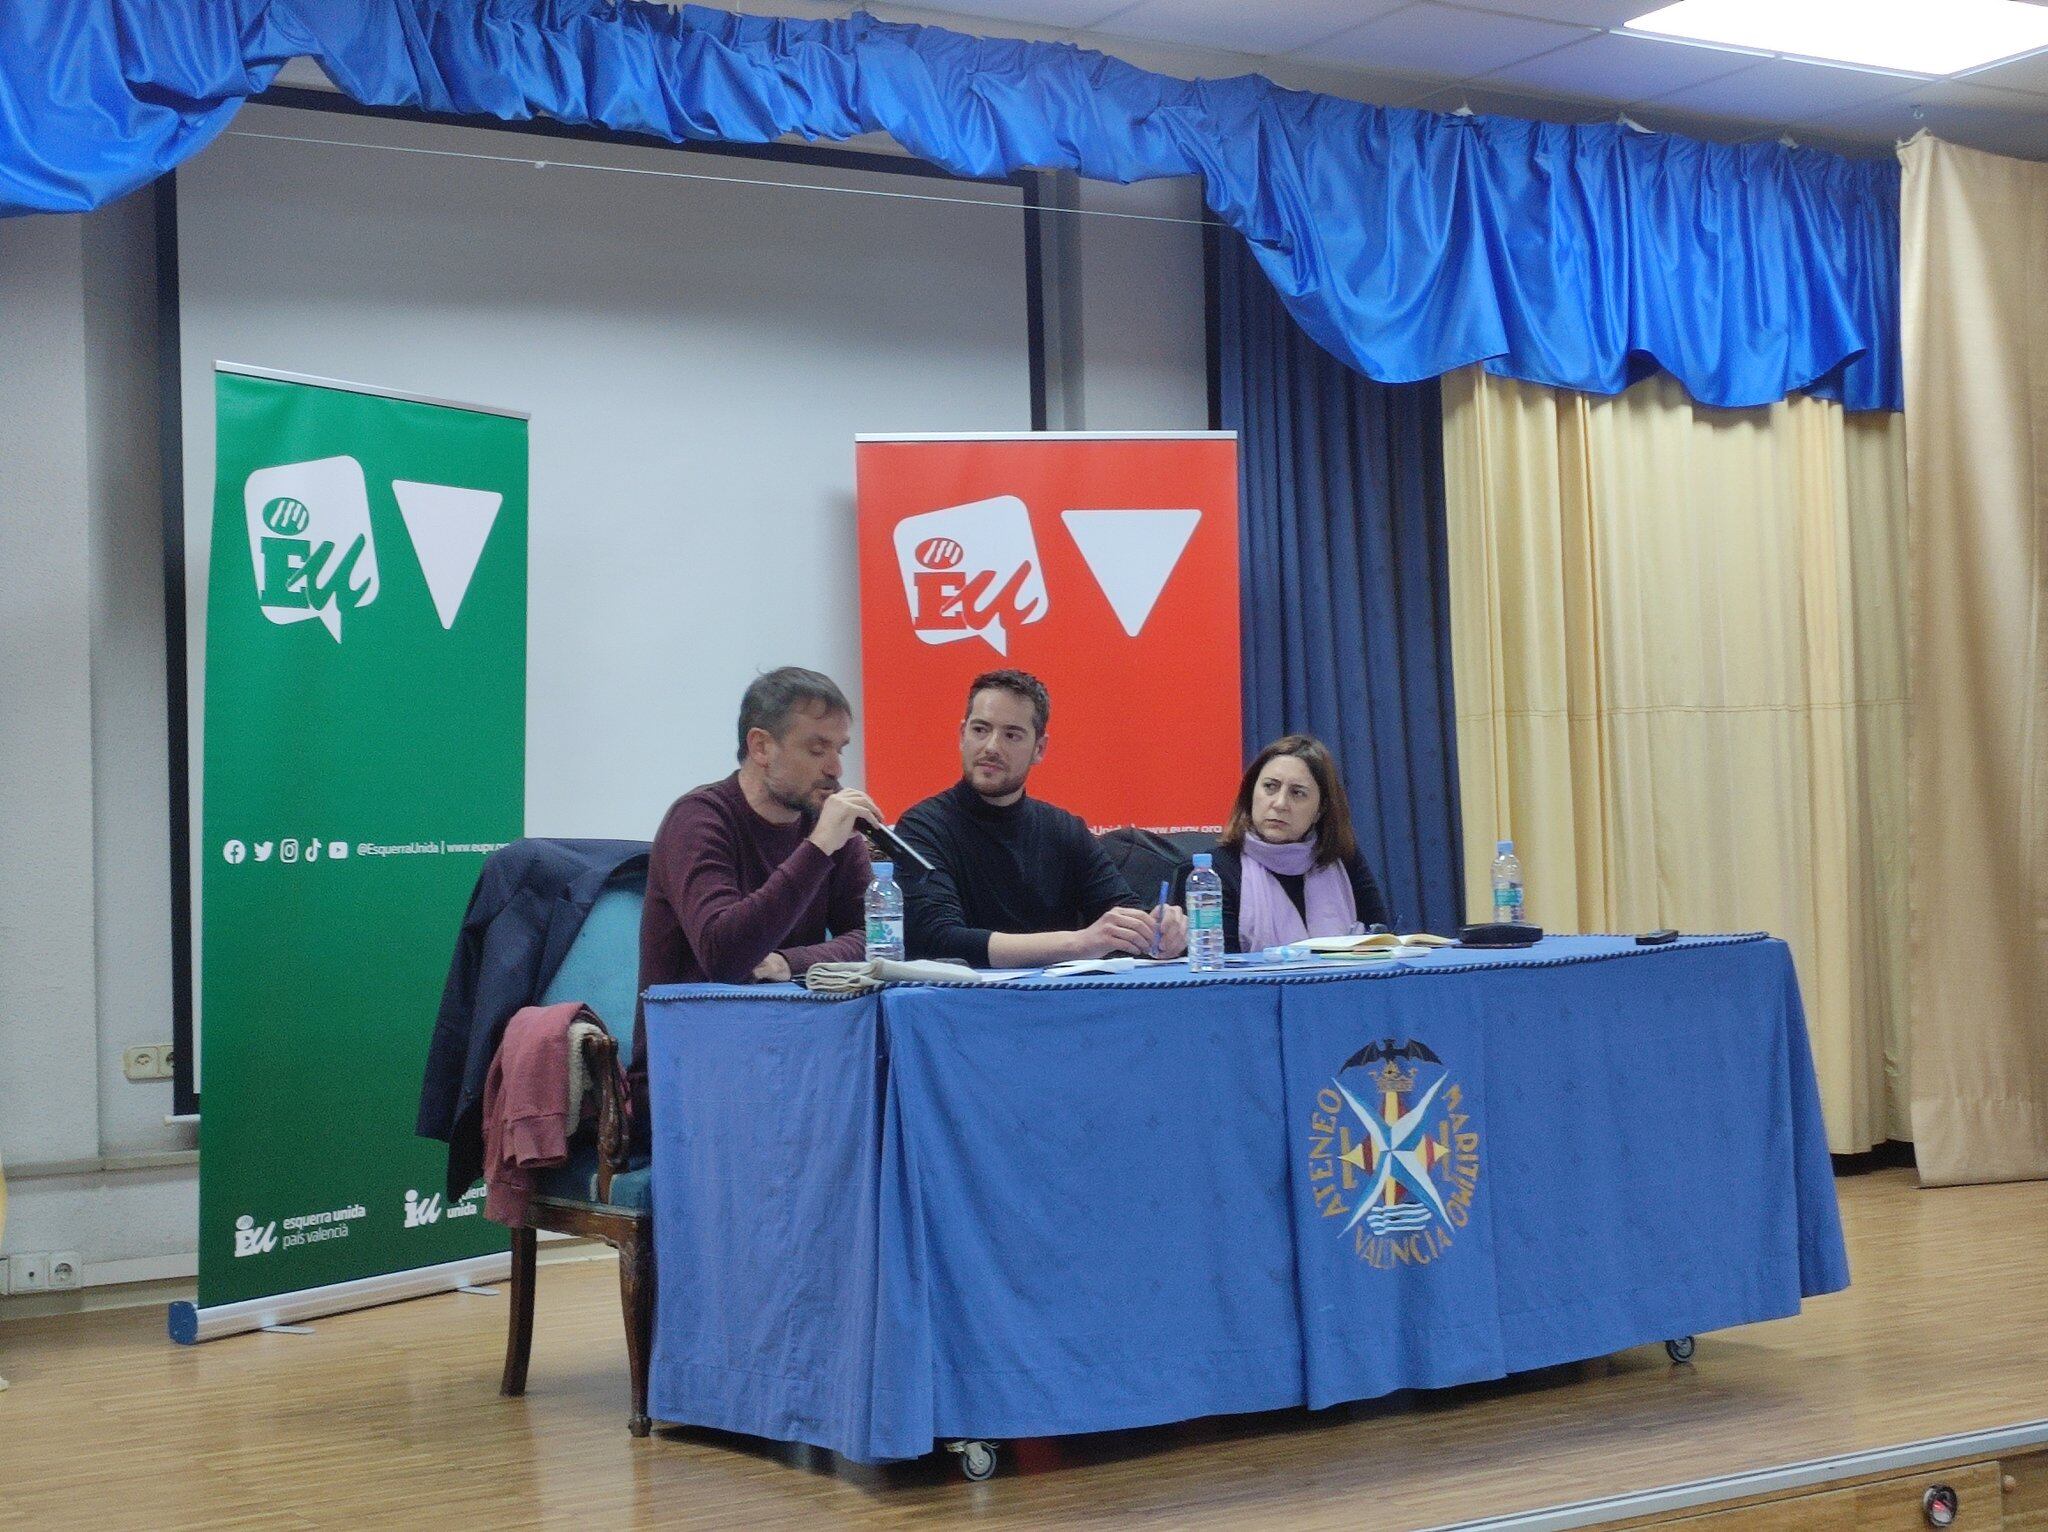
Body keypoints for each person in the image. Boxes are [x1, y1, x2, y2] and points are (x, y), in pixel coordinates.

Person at [630, 667, 884, 1144]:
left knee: (893, 1114)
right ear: (762, 747)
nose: (835, 768)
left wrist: (789, 963)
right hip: (694, 1075)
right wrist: (818, 851)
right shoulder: (699, 819)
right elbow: (724, 953)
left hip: (792, 1060)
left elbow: (878, 939)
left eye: (839, 749)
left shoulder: (826, 820)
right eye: (817, 749)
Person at [901, 669, 1188, 967]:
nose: (991, 747)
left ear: (1039, 749)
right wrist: (1080, 943)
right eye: (980, 730)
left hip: (1056, 1003)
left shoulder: (1063, 829)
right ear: (962, 735)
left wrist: (1158, 930)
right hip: (962, 1005)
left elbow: (1121, 911)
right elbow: (939, 940)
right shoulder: (922, 827)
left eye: (1011, 735)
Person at [1177, 734, 1392, 954]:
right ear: (1251, 794)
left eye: (1297, 793)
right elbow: (1220, 969)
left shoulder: (1343, 859)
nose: (1280, 804)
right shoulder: (1215, 871)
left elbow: (1380, 942)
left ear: (1320, 810)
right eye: (1270, 787)